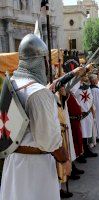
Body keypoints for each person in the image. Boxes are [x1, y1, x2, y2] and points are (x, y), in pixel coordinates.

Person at [0, 34, 67, 200]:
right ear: (40, 61)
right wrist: (64, 160)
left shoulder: (11, 84)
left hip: (13, 163)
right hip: (35, 169)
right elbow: (48, 140)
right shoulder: (38, 92)